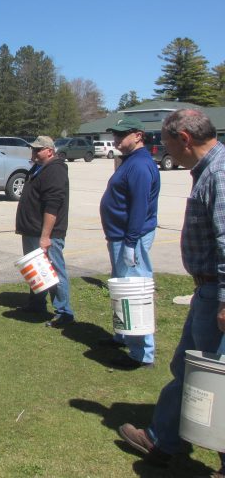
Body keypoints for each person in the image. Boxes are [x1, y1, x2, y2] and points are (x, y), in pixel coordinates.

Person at [118, 109, 225, 476]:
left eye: (163, 142)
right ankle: (165, 440)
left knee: (213, 378)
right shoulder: (208, 171)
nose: (160, 149)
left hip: (218, 294)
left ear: (184, 138)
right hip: (207, 291)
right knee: (187, 367)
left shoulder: (220, 174)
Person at [99, 116, 160, 369]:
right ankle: (124, 335)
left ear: (138, 135)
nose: (116, 139)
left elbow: (139, 207)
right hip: (120, 236)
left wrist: (131, 242)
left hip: (129, 238)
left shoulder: (140, 165)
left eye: (122, 135)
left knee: (133, 293)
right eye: (115, 134)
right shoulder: (130, 161)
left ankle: (141, 353)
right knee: (122, 291)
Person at [15, 135, 75, 328]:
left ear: (49, 150)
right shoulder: (39, 167)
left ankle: (64, 312)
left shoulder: (55, 170)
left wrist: (45, 236)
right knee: (37, 271)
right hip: (32, 230)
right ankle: (37, 304)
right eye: (33, 149)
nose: (34, 152)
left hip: (47, 234)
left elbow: (52, 206)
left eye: (38, 149)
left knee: (54, 271)